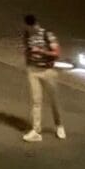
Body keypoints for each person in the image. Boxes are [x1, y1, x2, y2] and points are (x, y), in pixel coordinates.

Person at [21, 14, 65, 142]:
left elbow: (57, 53)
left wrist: (42, 52)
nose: (26, 29)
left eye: (27, 27)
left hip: (47, 71)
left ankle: (59, 125)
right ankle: (36, 130)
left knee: (54, 100)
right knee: (36, 101)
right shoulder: (26, 35)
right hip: (33, 71)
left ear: (32, 25)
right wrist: (28, 64)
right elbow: (26, 50)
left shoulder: (47, 34)